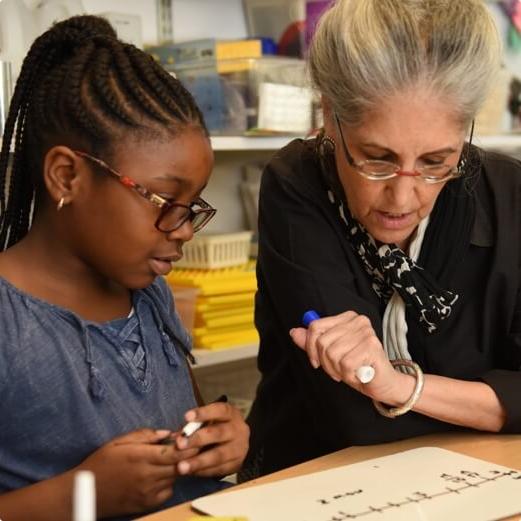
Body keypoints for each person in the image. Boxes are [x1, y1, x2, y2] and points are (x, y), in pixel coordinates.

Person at [239, 0, 521, 481]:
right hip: (315, 480)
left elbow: (372, 390)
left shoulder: (508, 194)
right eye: (376, 159)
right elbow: (353, 416)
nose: (404, 196)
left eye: (436, 162)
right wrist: (490, 402)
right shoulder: (297, 185)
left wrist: (395, 385)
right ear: (331, 117)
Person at [0, 15, 249, 521]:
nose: (182, 229)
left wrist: (221, 440)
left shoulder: (149, 293)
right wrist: (79, 498)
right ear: (66, 176)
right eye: (164, 199)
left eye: (193, 205)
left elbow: (184, 425)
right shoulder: (8, 323)